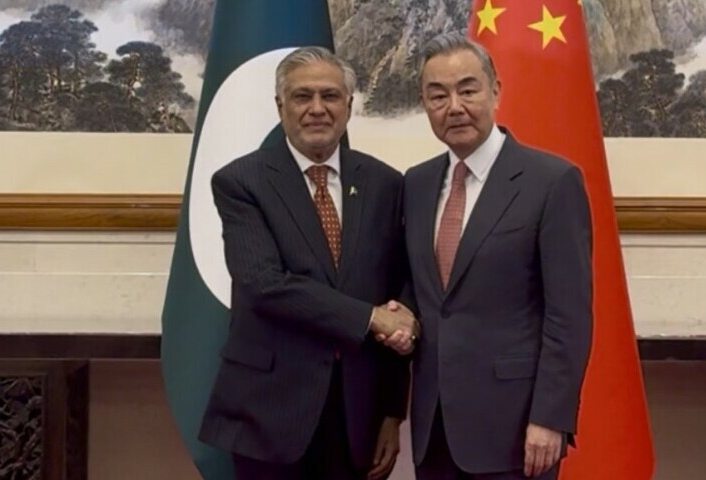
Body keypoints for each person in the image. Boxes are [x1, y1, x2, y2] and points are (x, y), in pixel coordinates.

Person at [198, 46, 418, 480]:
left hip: (358, 415)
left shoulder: (386, 184)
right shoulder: (241, 183)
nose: (317, 108)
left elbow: (398, 297)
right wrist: (369, 318)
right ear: (280, 106)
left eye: (330, 96)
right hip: (270, 414)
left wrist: (393, 413)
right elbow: (265, 284)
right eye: (302, 97)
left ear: (349, 106)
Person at [389, 33, 593, 480]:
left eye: (468, 89)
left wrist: (551, 417)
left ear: (496, 90)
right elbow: (424, 288)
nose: (454, 106)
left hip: (518, 431)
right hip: (435, 428)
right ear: (424, 105)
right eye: (437, 95)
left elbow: (569, 315)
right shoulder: (417, 185)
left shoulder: (552, 182)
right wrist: (398, 311)